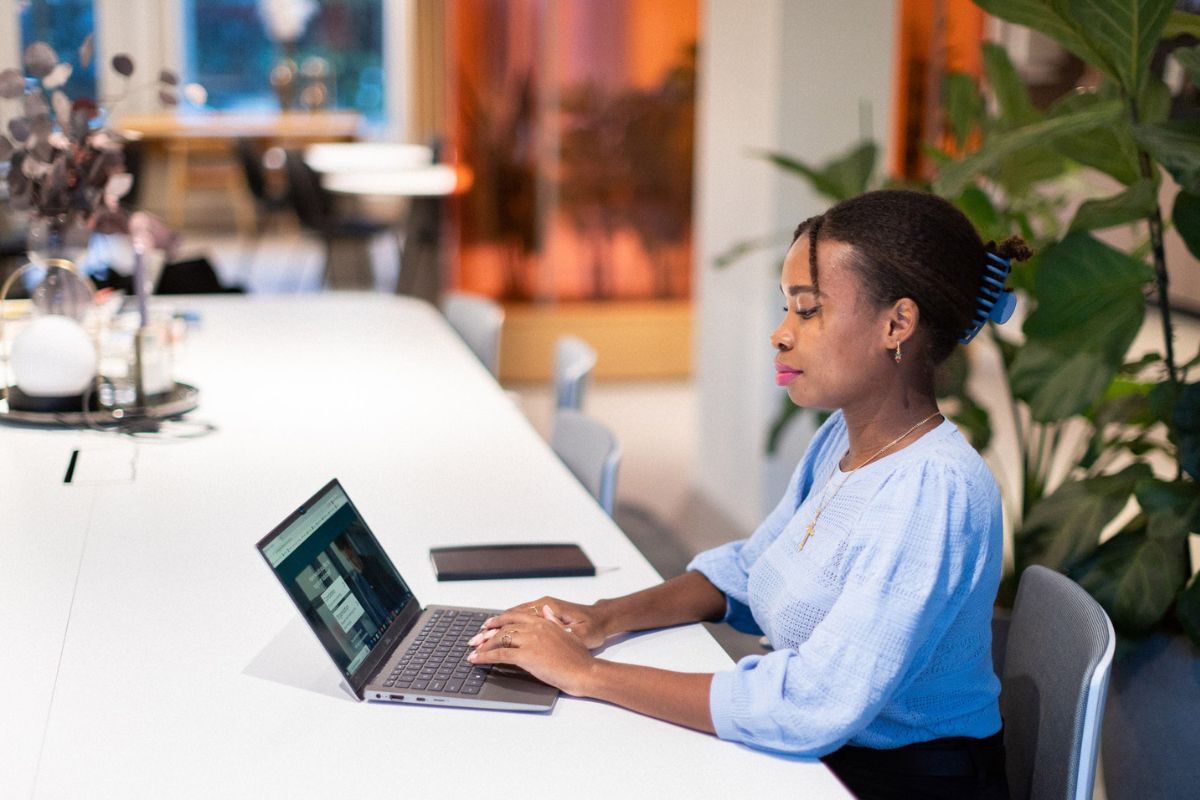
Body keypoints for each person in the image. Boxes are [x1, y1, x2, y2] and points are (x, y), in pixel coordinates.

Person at [468, 189, 1028, 800]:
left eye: (807, 311)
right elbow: (750, 569)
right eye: (785, 310)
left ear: (897, 324)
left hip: (897, 783)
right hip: (826, 765)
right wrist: (603, 618)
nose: (780, 335)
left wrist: (587, 674)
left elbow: (810, 704)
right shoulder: (844, 438)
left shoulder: (934, 492)